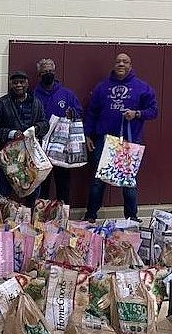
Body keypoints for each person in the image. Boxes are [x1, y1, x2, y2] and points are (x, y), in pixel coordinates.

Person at [83, 53, 158, 223]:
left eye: (125, 62)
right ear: (114, 65)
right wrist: (88, 134)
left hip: (129, 142)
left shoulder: (142, 87)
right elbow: (91, 113)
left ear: (130, 65)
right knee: (98, 179)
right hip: (104, 140)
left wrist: (137, 113)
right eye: (118, 61)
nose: (121, 64)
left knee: (129, 181)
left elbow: (154, 111)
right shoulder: (102, 87)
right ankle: (90, 215)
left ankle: (131, 217)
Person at [0, 71, 49, 207]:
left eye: (22, 82)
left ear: (27, 83)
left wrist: (36, 129)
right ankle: (1, 223)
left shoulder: (37, 103)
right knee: (4, 191)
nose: (18, 85)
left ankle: (29, 222)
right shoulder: (0, 104)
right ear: (10, 84)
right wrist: (11, 133)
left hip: (31, 156)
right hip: (8, 157)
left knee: (33, 190)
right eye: (15, 82)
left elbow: (45, 124)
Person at [34, 58, 83, 203]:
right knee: (42, 183)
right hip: (41, 144)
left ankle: (62, 216)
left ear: (54, 73)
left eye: (50, 71)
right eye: (44, 72)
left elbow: (79, 112)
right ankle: (41, 217)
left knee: (63, 183)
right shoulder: (33, 94)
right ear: (39, 75)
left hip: (61, 146)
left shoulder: (67, 94)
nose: (48, 74)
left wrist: (72, 112)